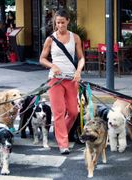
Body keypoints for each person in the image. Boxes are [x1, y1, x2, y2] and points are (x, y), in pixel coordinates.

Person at [39, 9, 85, 155]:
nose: (60, 25)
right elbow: (42, 59)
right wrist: (52, 65)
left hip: (71, 79)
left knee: (73, 111)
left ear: (68, 21)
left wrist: (78, 71)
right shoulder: (50, 39)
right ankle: (63, 144)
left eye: (63, 22)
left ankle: (61, 131)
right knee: (59, 112)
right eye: (57, 23)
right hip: (55, 80)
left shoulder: (75, 37)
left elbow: (81, 58)